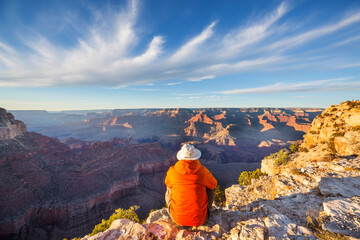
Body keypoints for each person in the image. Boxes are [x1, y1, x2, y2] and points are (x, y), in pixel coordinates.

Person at [165, 144, 217, 227]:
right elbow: (214, 184)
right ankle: (206, 210)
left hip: (177, 219)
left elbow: (168, 183)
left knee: (169, 186)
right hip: (200, 220)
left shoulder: (172, 171)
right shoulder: (203, 171)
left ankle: (177, 210)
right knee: (210, 187)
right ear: (195, 157)